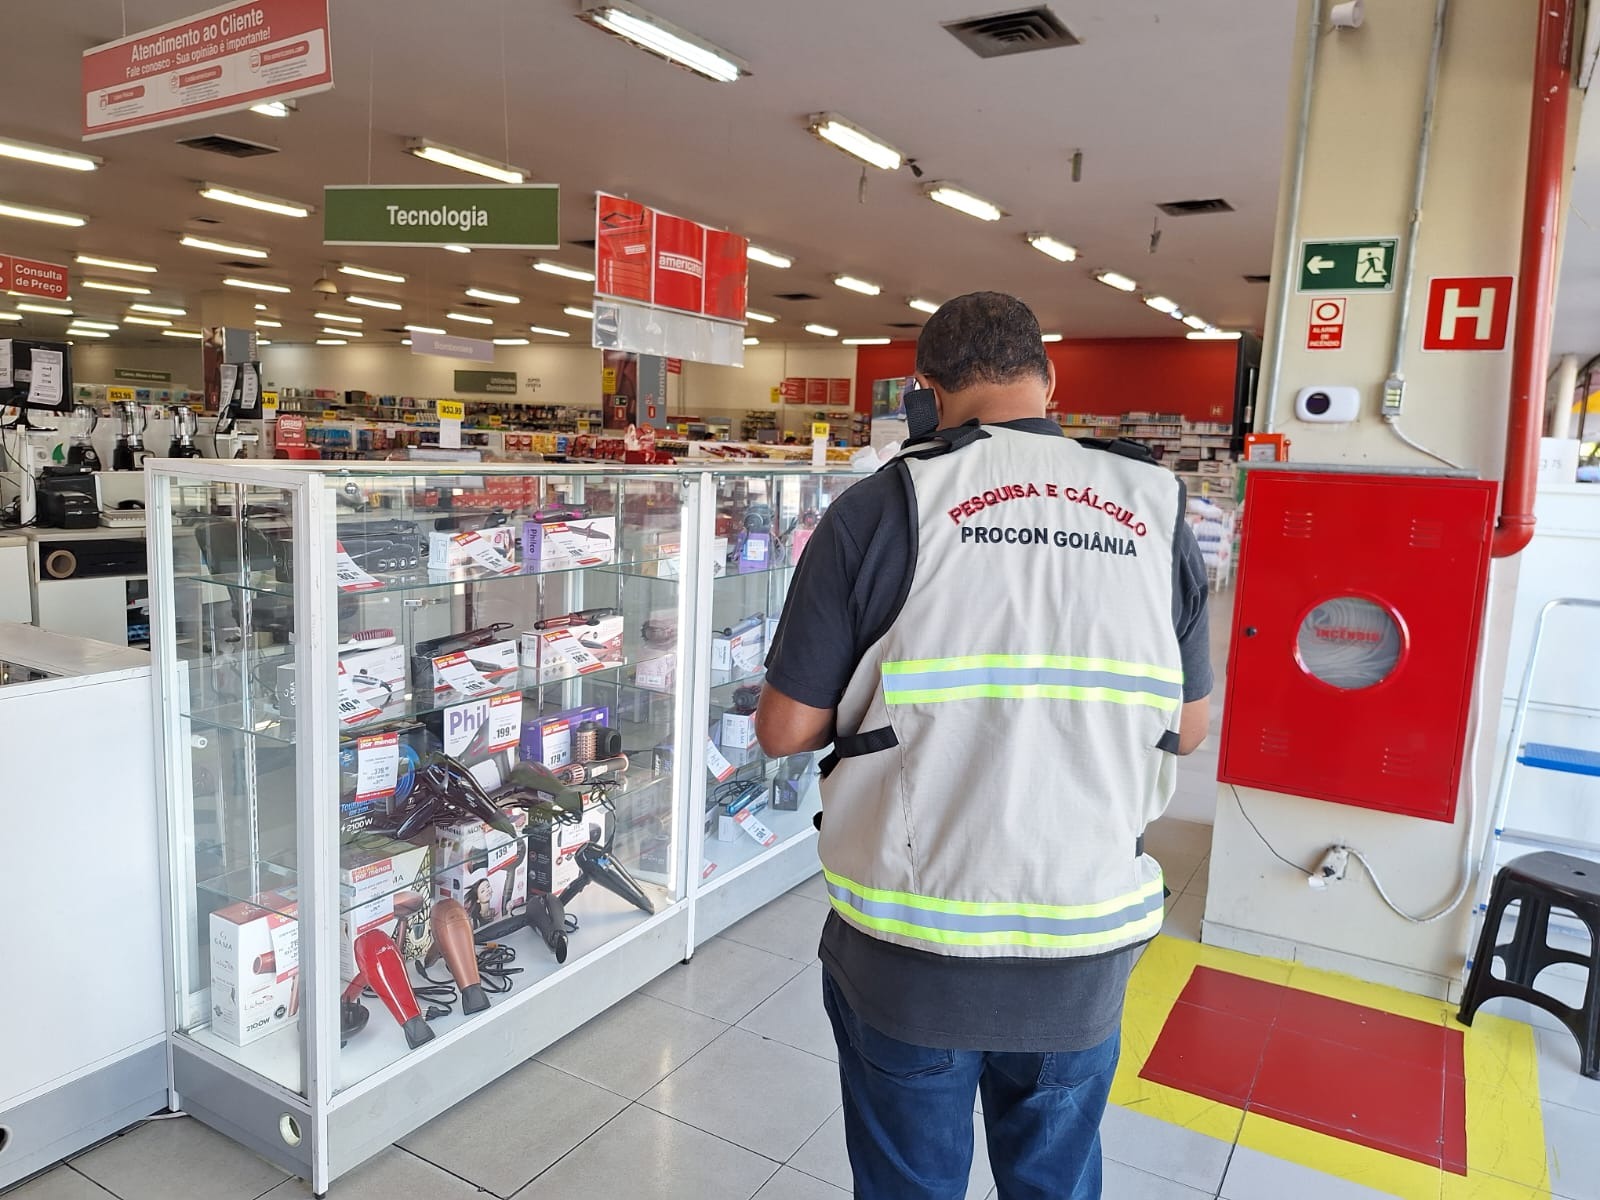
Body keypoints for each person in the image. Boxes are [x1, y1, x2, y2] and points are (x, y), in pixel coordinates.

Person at [755, 292, 1213, 1200]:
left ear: (924, 392)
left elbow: (784, 729)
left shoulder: (881, 507)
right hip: (1080, 945)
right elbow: (1189, 729)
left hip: (910, 951)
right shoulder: (1154, 507)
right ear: (1051, 380)